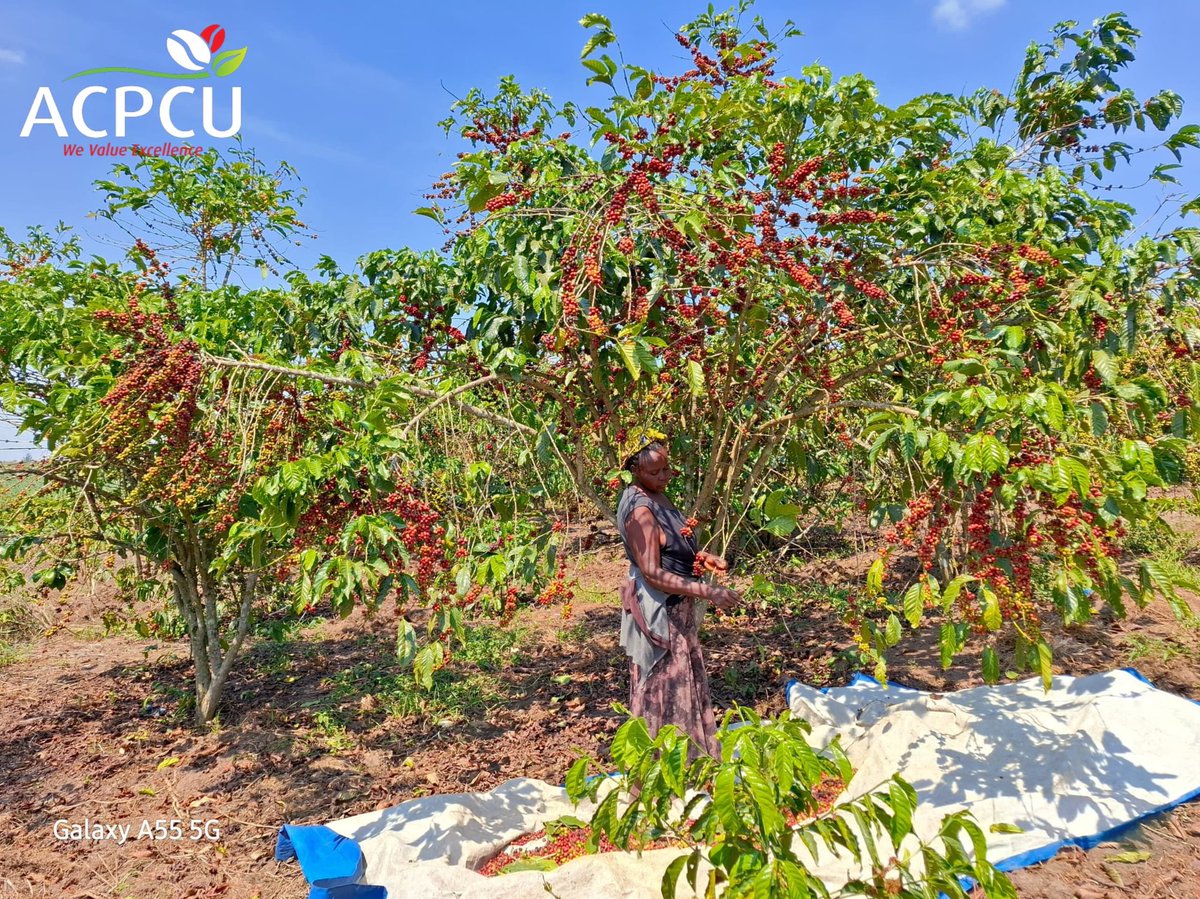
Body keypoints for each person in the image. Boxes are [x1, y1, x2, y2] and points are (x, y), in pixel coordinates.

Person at [615, 430, 742, 759]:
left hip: (677, 611)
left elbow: (673, 544)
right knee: (664, 691)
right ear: (635, 470)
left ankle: (691, 762)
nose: (664, 477)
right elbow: (653, 573)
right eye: (655, 472)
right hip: (662, 614)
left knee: (682, 685)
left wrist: (702, 557)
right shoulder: (640, 511)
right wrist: (708, 592)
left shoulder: (657, 496)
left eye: (666, 469)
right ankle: (663, 769)